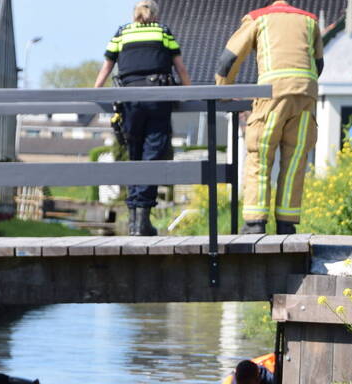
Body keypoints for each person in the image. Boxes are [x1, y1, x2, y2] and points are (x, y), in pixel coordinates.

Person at [215, 1, 323, 236]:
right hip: (306, 94)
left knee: (259, 156)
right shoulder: (309, 20)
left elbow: (228, 59)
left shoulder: (257, 18)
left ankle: (255, 223)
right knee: (295, 161)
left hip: (272, 94)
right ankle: (286, 224)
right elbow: (319, 63)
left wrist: (222, 91)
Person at [94, 0, 192, 236]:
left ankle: (133, 221)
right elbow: (180, 68)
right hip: (158, 99)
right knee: (152, 156)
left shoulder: (122, 32)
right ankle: (143, 221)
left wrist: (94, 91)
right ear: (155, 14)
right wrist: (190, 92)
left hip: (129, 100)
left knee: (134, 155)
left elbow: (106, 67)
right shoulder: (163, 32)